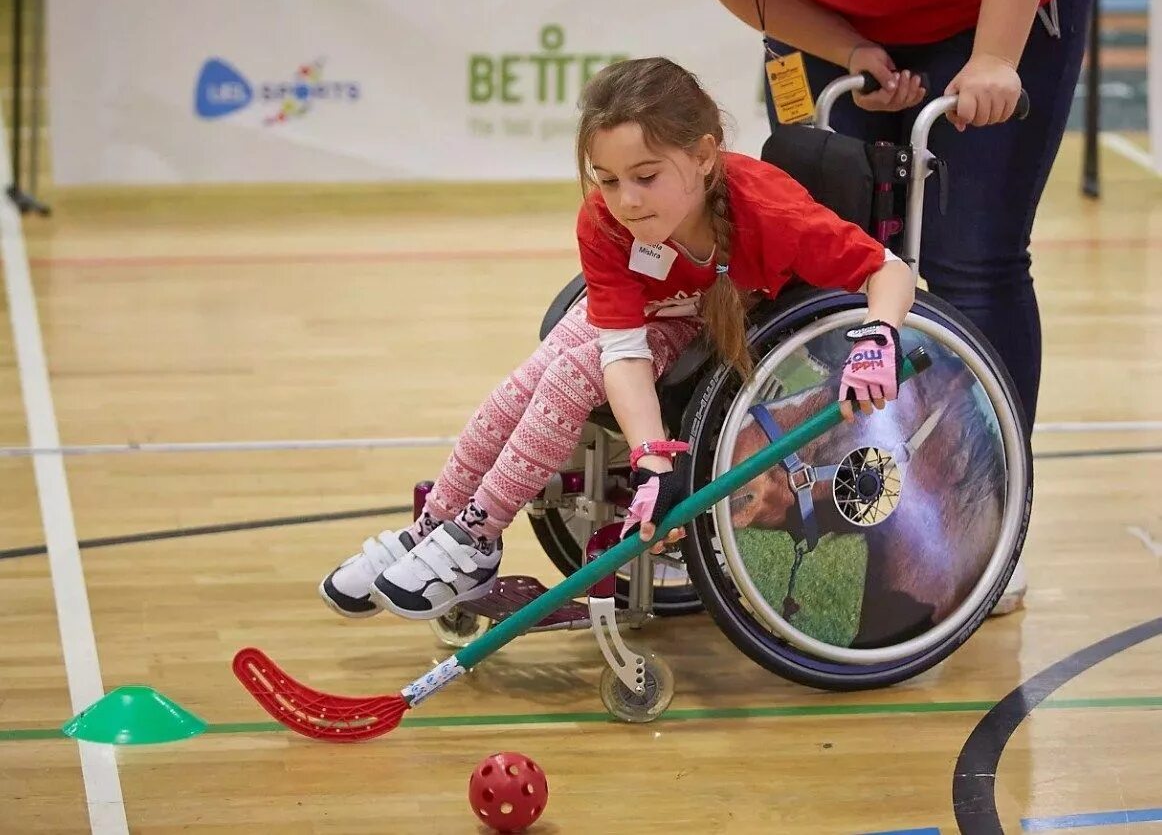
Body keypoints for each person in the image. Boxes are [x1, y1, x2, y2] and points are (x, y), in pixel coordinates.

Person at [318, 57, 915, 622]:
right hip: (651, 313)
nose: (626, 200)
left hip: (714, 320)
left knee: (570, 375)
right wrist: (652, 460)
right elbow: (623, 349)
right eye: (607, 180)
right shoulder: (604, 220)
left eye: (646, 177)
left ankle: (476, 535)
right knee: (535, 375)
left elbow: (888, 270)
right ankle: (438, 526)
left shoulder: (769, 209)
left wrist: (878, 336)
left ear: (705, 156)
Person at [692, 0, 1096, 613]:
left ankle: (989, 530)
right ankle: (871, 500)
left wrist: (994, 55)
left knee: (974, 259)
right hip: (827, 22)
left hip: (990, 4)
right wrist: (848, 51)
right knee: (829, 262)